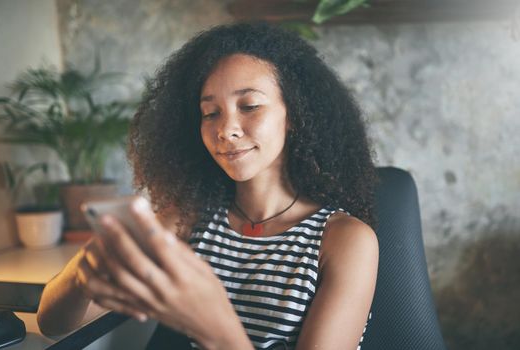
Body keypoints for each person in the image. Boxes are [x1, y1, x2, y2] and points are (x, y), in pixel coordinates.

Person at [37, 22, 379, 350]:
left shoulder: (344, 241)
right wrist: (84, 269)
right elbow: (53, 324)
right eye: (210, 112)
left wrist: (214, 325)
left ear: (294, 116)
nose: (226, 129)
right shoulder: (186, 221)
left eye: (249, 106)